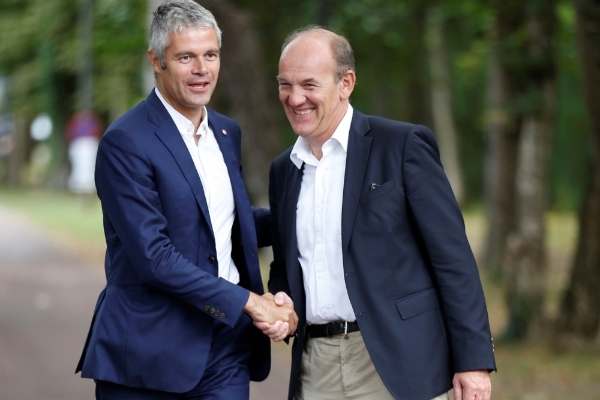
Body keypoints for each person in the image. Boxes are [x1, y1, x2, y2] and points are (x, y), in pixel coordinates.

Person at [260, 26, 496, 400]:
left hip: (399, 360)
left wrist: (473, 361)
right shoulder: (284, 171)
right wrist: (282, 301)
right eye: (284, 84)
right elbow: (287, 266)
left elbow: (453, 260)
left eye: (309, 84)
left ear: (346, 83)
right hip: (315, 365)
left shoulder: (402, 146)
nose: (294, 97)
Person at [75, 1, 295, 399]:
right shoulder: (125, 143)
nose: (202, 69)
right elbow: (154, 258)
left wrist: (308, 216)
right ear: (156, 60)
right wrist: (249, 302)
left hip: (227, 347)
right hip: (148, 353)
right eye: (186, 57)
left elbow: (228, 222)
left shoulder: (227, 133)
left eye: (211, 54)